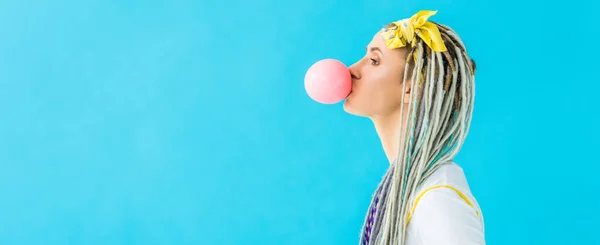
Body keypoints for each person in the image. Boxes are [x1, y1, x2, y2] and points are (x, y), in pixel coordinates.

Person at [343, 10, 485, 245]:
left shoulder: (440, 200)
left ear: (411, 88)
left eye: (374, 61)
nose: (351, 70)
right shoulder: (405, 189)